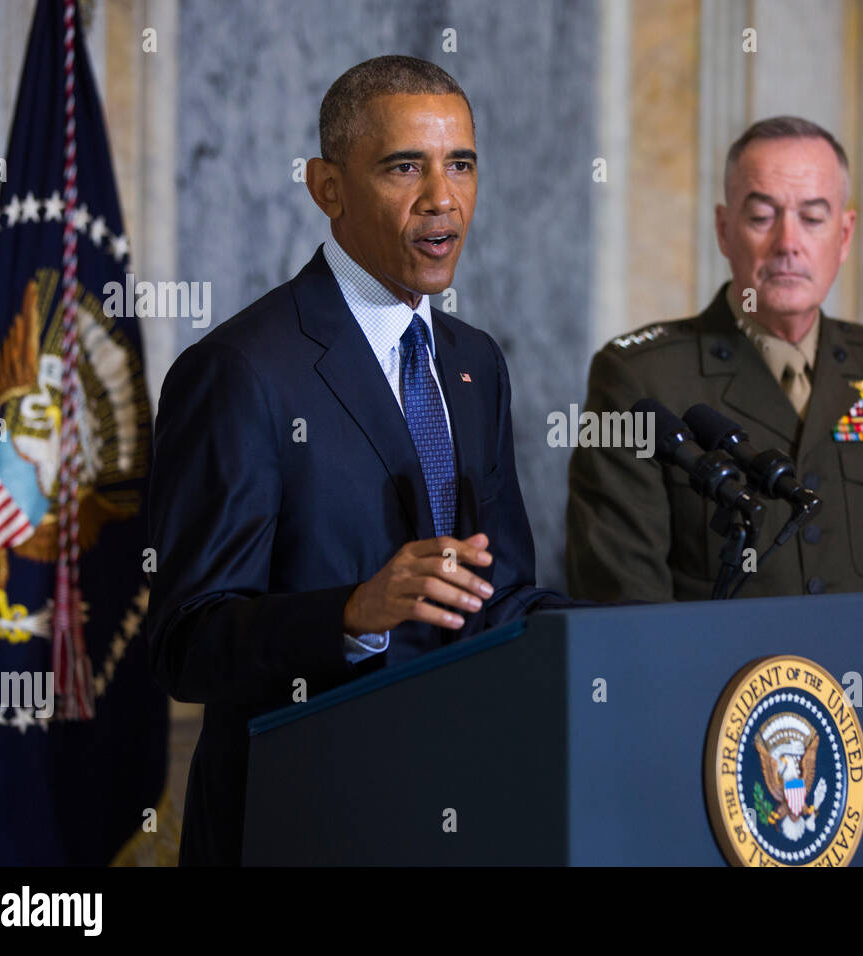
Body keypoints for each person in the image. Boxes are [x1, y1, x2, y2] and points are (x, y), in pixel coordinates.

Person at [146, 55, 568, 865]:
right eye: (405, 166)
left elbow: (499, 595)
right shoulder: (241, 371)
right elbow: (186, 643)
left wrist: (631, 639)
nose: (442, 198)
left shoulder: (474, 361)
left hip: (457, 809)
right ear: (327, 188)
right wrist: (352, 613)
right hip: (299, 822)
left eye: (462, 165)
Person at [565, 117, 863, 676]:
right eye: (761, 216)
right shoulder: (640, 380)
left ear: (845, 234)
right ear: (722, 228)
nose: (788, 243)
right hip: (711, 735)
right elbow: (621, 595)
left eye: (813, 217)